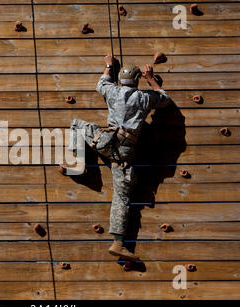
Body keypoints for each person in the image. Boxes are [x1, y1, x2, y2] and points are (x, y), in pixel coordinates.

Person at [59, 54, 172, 261]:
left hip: (104, 142)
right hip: (124, 154)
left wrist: (109, 65)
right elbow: (164, 98)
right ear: (137, 80)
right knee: (122, 198)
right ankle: (118, 243)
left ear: (121, 80)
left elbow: (102, 83)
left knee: (77, 124)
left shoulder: (113, 91)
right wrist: (151, 79)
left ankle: (80, 162)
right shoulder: (144, 98)